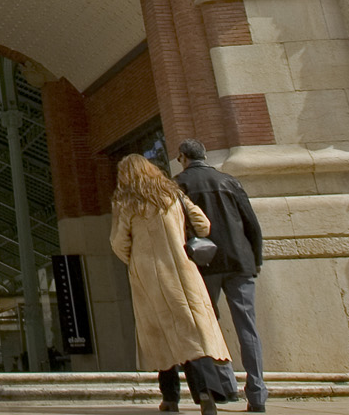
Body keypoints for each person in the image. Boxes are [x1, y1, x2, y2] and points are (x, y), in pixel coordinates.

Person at [109, 154, 236, 415]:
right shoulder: (173, 194)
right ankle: (203, 394)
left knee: (159, 334)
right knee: (191, 332)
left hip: (147, 275)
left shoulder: (125, 201)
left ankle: (170, 398)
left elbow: (119, 242)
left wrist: (135, 260)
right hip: (182, 270)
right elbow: (203, 225)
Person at [161, 141, 266, 413]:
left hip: (202, 264)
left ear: (182, 157)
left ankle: (225, 386)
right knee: (248, 328)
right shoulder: (229, 181)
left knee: (207, 327)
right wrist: (255, 259)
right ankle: (257, 394)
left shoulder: (177, 185)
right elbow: (251, 223)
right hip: (240, 262)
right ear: (204, 156)